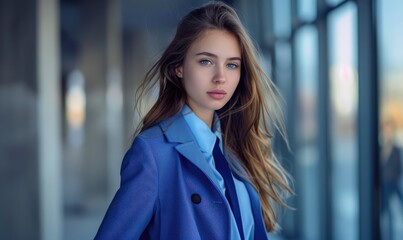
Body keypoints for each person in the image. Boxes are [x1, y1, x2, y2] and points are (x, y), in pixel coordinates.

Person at [95, 1, 292, 239]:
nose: (220, 77)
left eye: (231, 65)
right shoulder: (153, 152)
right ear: (178, 67)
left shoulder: (236, 148)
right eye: (206, 61)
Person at [381, 118, 403, 240]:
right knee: (386, 213)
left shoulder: (396, 148)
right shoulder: (380, 147)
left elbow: (398, 167)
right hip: (384, 185)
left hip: (392, 184)